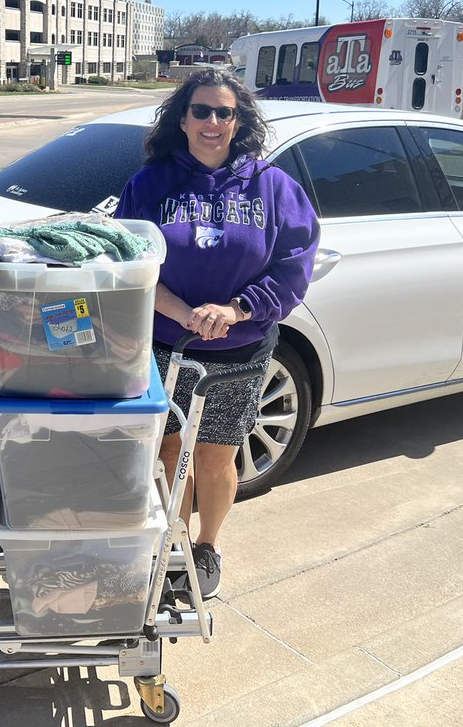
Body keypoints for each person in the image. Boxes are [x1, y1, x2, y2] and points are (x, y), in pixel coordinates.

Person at [114, 69, 318, 599]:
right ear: (182, 119)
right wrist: (183, 313)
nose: (211, 122)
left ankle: (207, 544)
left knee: (216, 451)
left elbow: (294, 265)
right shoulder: (150, 184)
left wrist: (235, 309)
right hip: (165, 344)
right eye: (200, 110)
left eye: (223, 112)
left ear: (237, 120)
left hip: (241, 347)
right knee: (169, 450)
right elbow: (130, 261)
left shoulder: (272, 187)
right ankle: (174, 544)